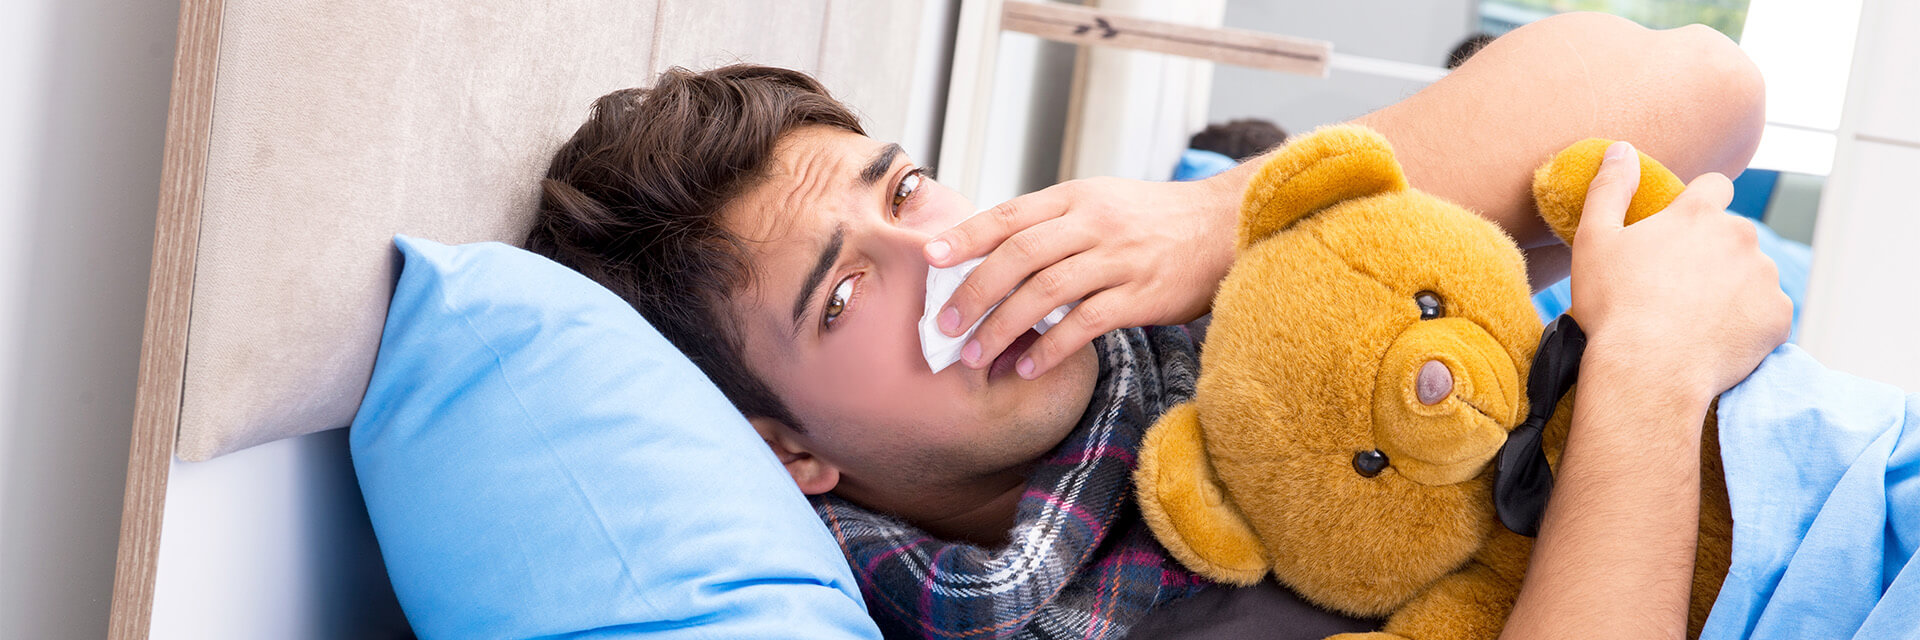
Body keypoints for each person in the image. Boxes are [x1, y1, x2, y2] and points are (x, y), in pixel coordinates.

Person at [523, 11, 1785, 640]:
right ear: (788, 451)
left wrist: (1212, 223)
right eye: (845, 294)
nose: (943, 254)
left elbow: (1706, 91)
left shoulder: (1211, 281)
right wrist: (1650, 375)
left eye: (906, 190)